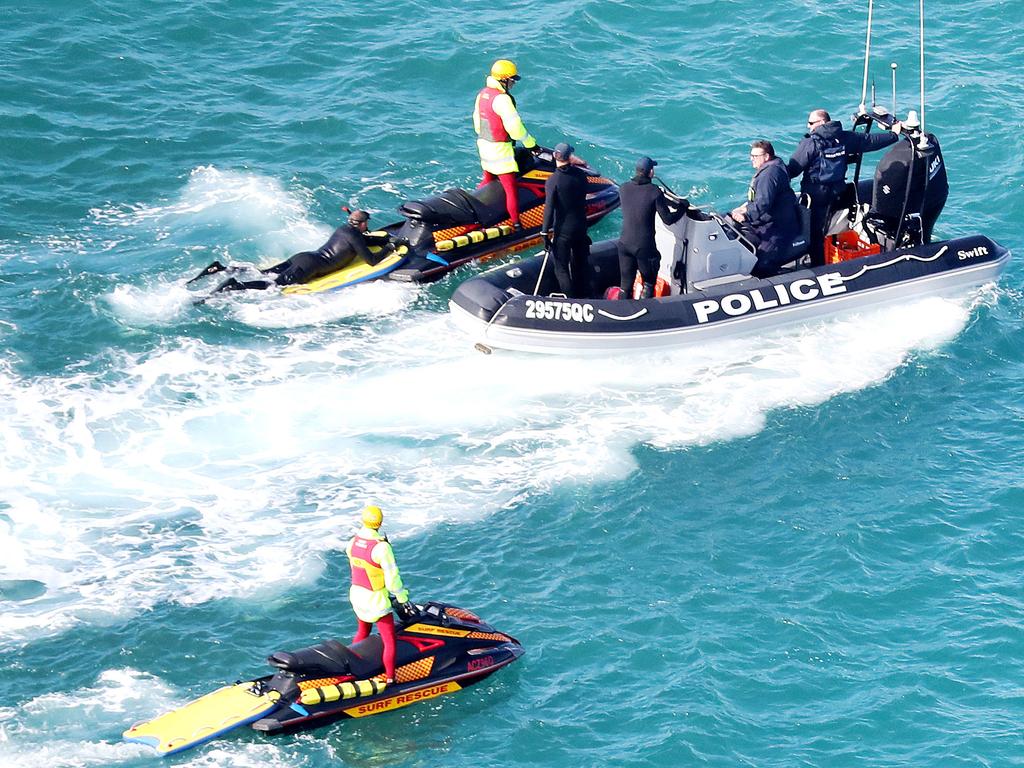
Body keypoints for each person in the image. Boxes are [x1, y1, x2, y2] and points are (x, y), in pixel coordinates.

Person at [787, 109, 902, 266]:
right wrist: (893, 135)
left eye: (811, 123)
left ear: (821, 122)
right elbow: (869, 141)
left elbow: (793, 169)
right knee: (822, 228)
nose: (808, 127)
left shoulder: (811, 143)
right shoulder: (844, 137)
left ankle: (818, 266)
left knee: (814, 233)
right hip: (837, 193)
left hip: (816, 195)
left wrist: (774, 179)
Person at [212, 210, 390, 292]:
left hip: (305, 257)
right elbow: (372, 261)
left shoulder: (344, 229)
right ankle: (234, 286)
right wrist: (389, 247)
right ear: (363, 224)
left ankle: (221, 268)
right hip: (311, 266)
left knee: (263, 272)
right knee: (273, 285)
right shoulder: (356, 236)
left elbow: (366, 239)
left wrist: (384, 239)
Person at [345, 505, 413, 685]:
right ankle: (391, 679)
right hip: (375, 600)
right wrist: (402, 598)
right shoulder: (382, 548)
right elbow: (392, 580)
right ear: (380, 522)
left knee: (363, 631)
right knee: (389, 639)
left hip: (357, 595)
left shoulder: (352, 543)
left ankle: (351, 670)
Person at [472, 59, 538, 229]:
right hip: (500, 150)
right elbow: (515, 128)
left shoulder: (483, 94)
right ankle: (516, 225)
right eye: (512, 80)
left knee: (487, 179)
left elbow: (477, 122)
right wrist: (532, 145)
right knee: (511, 189)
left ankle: (473, 210)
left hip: (484, 145)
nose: (514, 83)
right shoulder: (502, 99)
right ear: (504, 80)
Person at [617, 156, 687, 298]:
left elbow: (639, 200)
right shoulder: (654, 191)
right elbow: (667, 219)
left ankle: (623, 313)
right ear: (651, 172)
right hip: (644, 247)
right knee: (648, 283)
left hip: (624, 244)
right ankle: (645, 314)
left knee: (625, 287)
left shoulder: (623, 188)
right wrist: (682, 208)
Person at [730, 140, 800, 279]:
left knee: (763, 265)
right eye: (751, 155)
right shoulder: (773, 168)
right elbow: (759, 198)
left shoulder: (770, 174)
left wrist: (747, 215)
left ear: (766, 157)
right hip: (765, 221)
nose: (751, 159)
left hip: (777, 227)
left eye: (755, 156)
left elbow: (763, 202)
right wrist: (743, 208)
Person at [540, 142, 591, 297]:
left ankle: (570, 300)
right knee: (580, 264)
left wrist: (544, 234)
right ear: (570, 157)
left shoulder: (553, 181)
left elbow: (549, 209)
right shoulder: (581, 175)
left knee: (561, 267)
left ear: (555, 156)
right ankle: (584, 295)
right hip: (581, 226)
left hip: (563, 230)